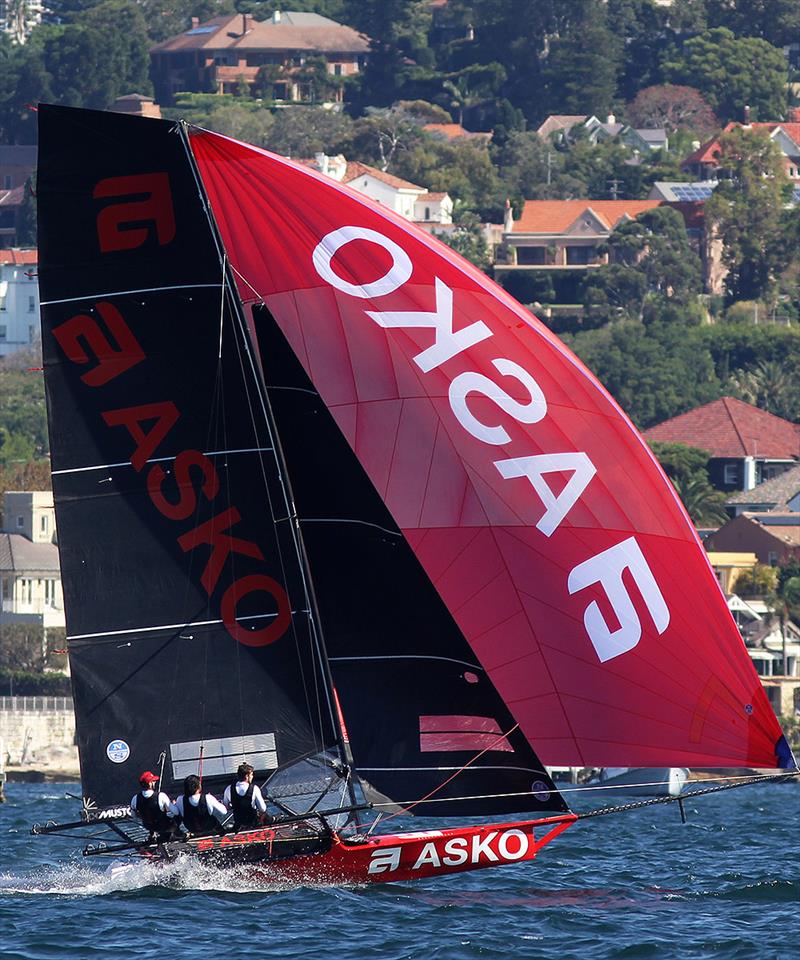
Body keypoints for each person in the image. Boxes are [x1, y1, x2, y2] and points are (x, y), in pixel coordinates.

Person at [130, 771, 176, 842]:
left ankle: (152, 835)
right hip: (163, 826)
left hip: (148, 826)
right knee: (176, 818)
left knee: (150, 817)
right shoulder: (161, 796)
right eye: (153, 781)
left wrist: (143, 816)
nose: (155, 782)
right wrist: (173, 804)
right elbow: (175, 811)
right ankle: (179, 835)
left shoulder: (135, 798)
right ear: (150, 783)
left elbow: (133, 815)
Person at [222, 763, 270, 831]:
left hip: (238, 825)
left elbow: (226, 807)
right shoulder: (254, 788)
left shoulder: (228, 789)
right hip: (253, 824)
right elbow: (262, 809)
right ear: (247, 776)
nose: (252, 777)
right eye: (251, 775)